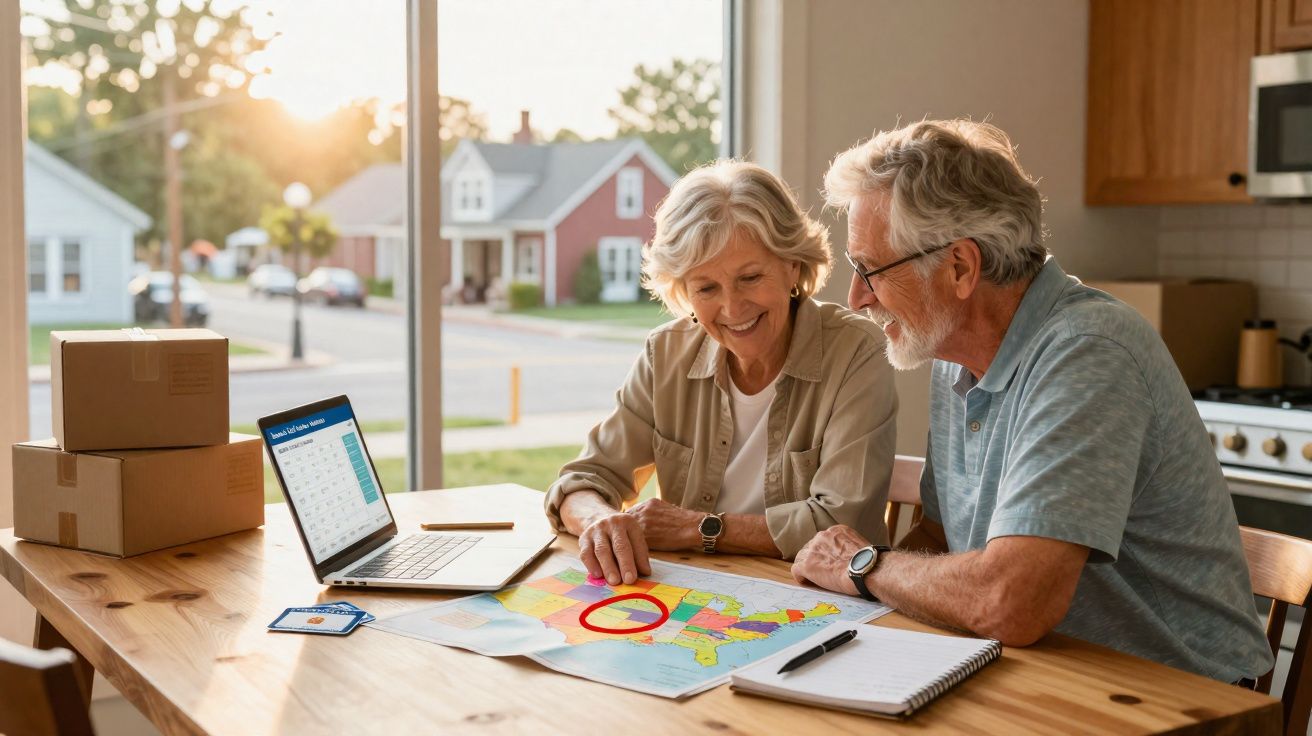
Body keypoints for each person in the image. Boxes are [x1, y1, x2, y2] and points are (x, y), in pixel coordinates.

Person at [791, 120, 1273, 684]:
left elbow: (1010, 602)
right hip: (1041, 673)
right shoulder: (956, 353)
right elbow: (942, 541)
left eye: (870, 269)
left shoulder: (1089, 352)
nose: (857, 297)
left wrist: (863, 565)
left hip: (1177, 699)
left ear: (961, 268)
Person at [545, 161, 898, 586]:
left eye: (750, 278)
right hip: (700, 600)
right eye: (707, 288)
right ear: (683, 291)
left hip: (823, 601)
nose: (732, 309)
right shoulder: (666, 352)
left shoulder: (856, 351)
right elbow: (583, 480)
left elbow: (839, 521)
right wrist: (600, 520)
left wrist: (696, 528)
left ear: (792, 266)